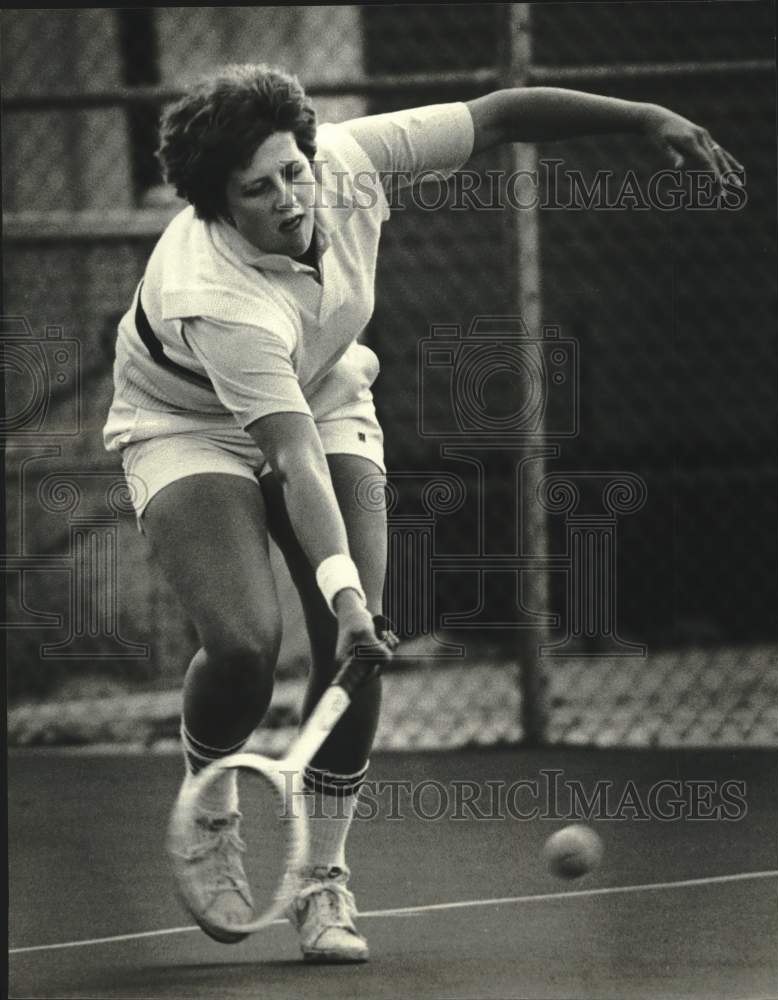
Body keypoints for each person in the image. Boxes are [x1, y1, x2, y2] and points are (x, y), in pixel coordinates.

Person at [104, 63, 741, 962]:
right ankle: (208, 801)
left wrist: (642, 114)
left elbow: (499, 113)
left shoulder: (352, 161)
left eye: (294, 170)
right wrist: (346, 597)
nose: (289, 198)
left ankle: (323, 880)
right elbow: (290, 463)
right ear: (218, 207)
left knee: (352, 651)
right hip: (185, 423)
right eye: (257, 190)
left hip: (323, 396)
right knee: (246, 644)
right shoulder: (215, 293)